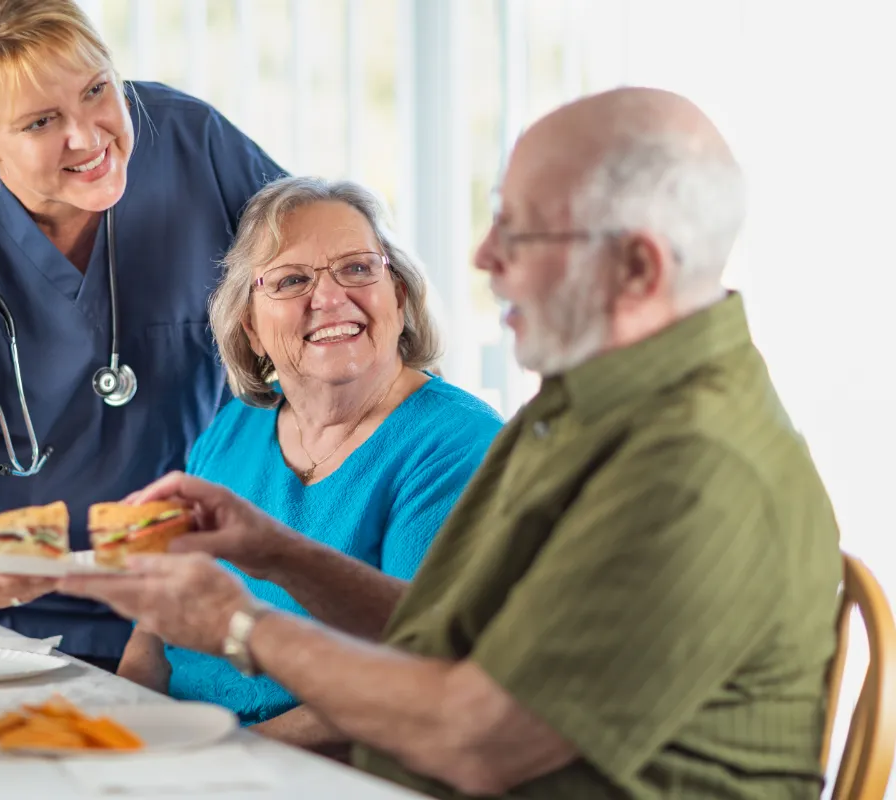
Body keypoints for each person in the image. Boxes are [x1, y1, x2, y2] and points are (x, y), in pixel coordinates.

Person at [58, 86, 843, 798]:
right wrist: (274, 551)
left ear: (637, 268)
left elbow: (476, 740)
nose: (482, 258)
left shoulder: (692, 469)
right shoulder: (589, 409)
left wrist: (239, 626)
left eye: (522, 232)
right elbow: (440, 632)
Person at [0, 0, 284, 671]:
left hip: (153, 574)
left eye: (97, 90)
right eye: (42, 122)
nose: (89, 136)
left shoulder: (196, 149)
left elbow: (314, 281)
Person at [114, 177, 504, 747]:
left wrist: (222, 764)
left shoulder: (456, 443)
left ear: (398, 295)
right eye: (293, 280)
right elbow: (155, 621)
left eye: (357, 269)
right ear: (251, 326)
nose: (328, 298)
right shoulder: (234, 427)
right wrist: (118, 725)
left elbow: (415, 676)